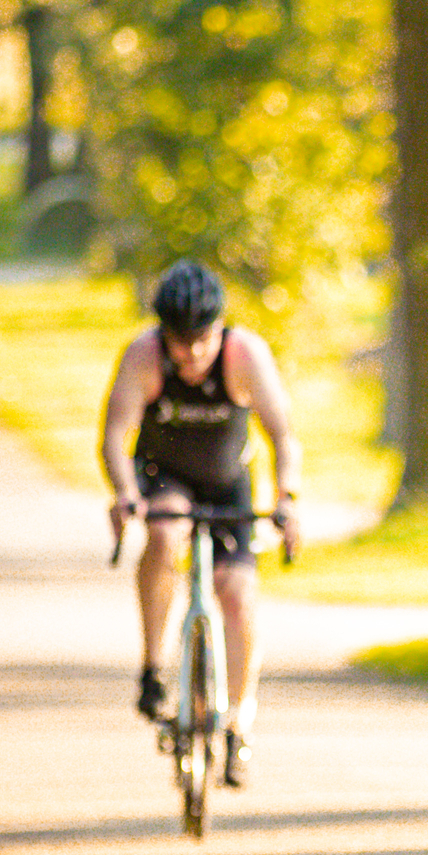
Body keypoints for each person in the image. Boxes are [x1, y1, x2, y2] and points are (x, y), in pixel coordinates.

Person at [100, 258, 302, 788]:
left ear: (220, 330)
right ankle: (152, 669)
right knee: (165, 532)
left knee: (236, 592)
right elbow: (115, 436)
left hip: (227, 480)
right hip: (164, 475)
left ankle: (238, 722)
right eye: (178, 341)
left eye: (201, 340)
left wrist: (288, 499)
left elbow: (283, 436)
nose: (189, 355)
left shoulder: (245, 355)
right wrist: (124, 494)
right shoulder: (144, 357)